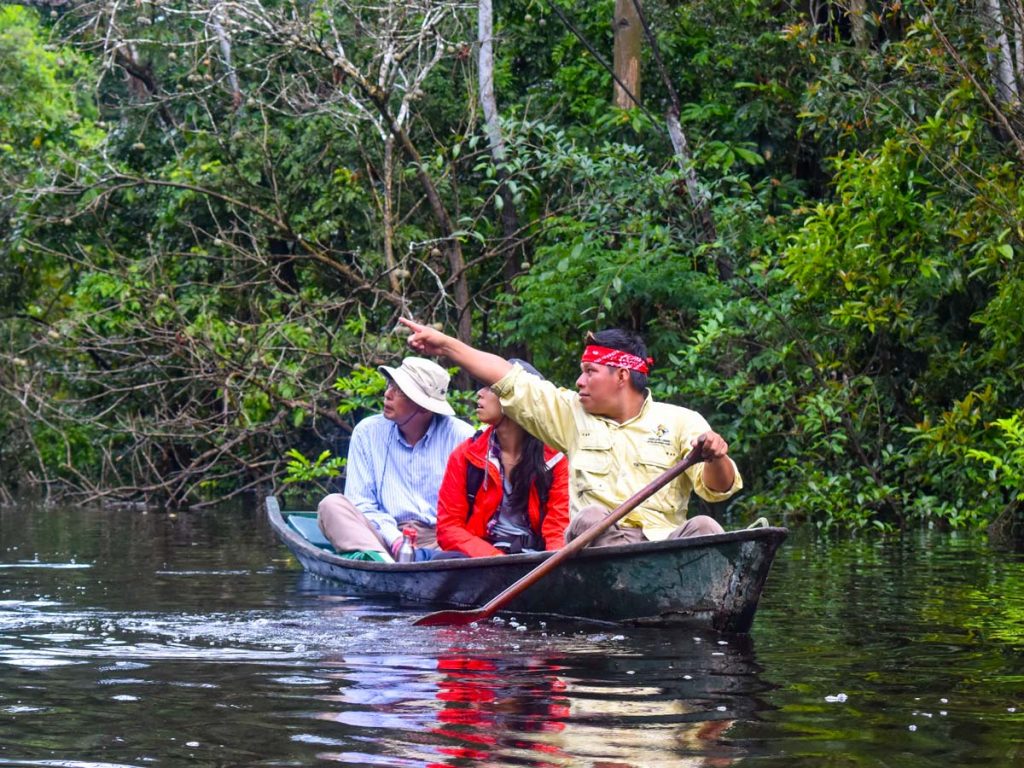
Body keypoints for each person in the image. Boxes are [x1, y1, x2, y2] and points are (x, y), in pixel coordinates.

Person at [399, 320, 742, 547]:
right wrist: (445, 345)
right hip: (599, 552)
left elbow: (718, 489)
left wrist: (716, 456)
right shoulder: (570, 414)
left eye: (589, 372)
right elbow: (507, 377)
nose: (579, 382)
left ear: (622, 376)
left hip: (664, 549)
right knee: (590, 518)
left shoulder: (683, 421)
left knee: (706, 528)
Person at [317, 356, 475, 561]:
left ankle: (415, 562)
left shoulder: (462, 437)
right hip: (383, 537)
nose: (387, 394)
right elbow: (362, 504)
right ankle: (384, 563)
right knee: (331, 506)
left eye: (399, 390)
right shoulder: (367, 432)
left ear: (424, 406)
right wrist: (396, 540)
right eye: (389, 385)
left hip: (441, 541)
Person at [436, 360, 570, 558]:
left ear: (516, 399)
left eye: (490, 388)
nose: (479, 393)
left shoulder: (555, 460)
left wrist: (551, 565)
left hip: (536, 558)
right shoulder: (466, 454)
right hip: (481, 558)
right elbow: (448, 527)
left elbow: (558, 528)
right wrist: (494, 558)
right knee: (443, 560)